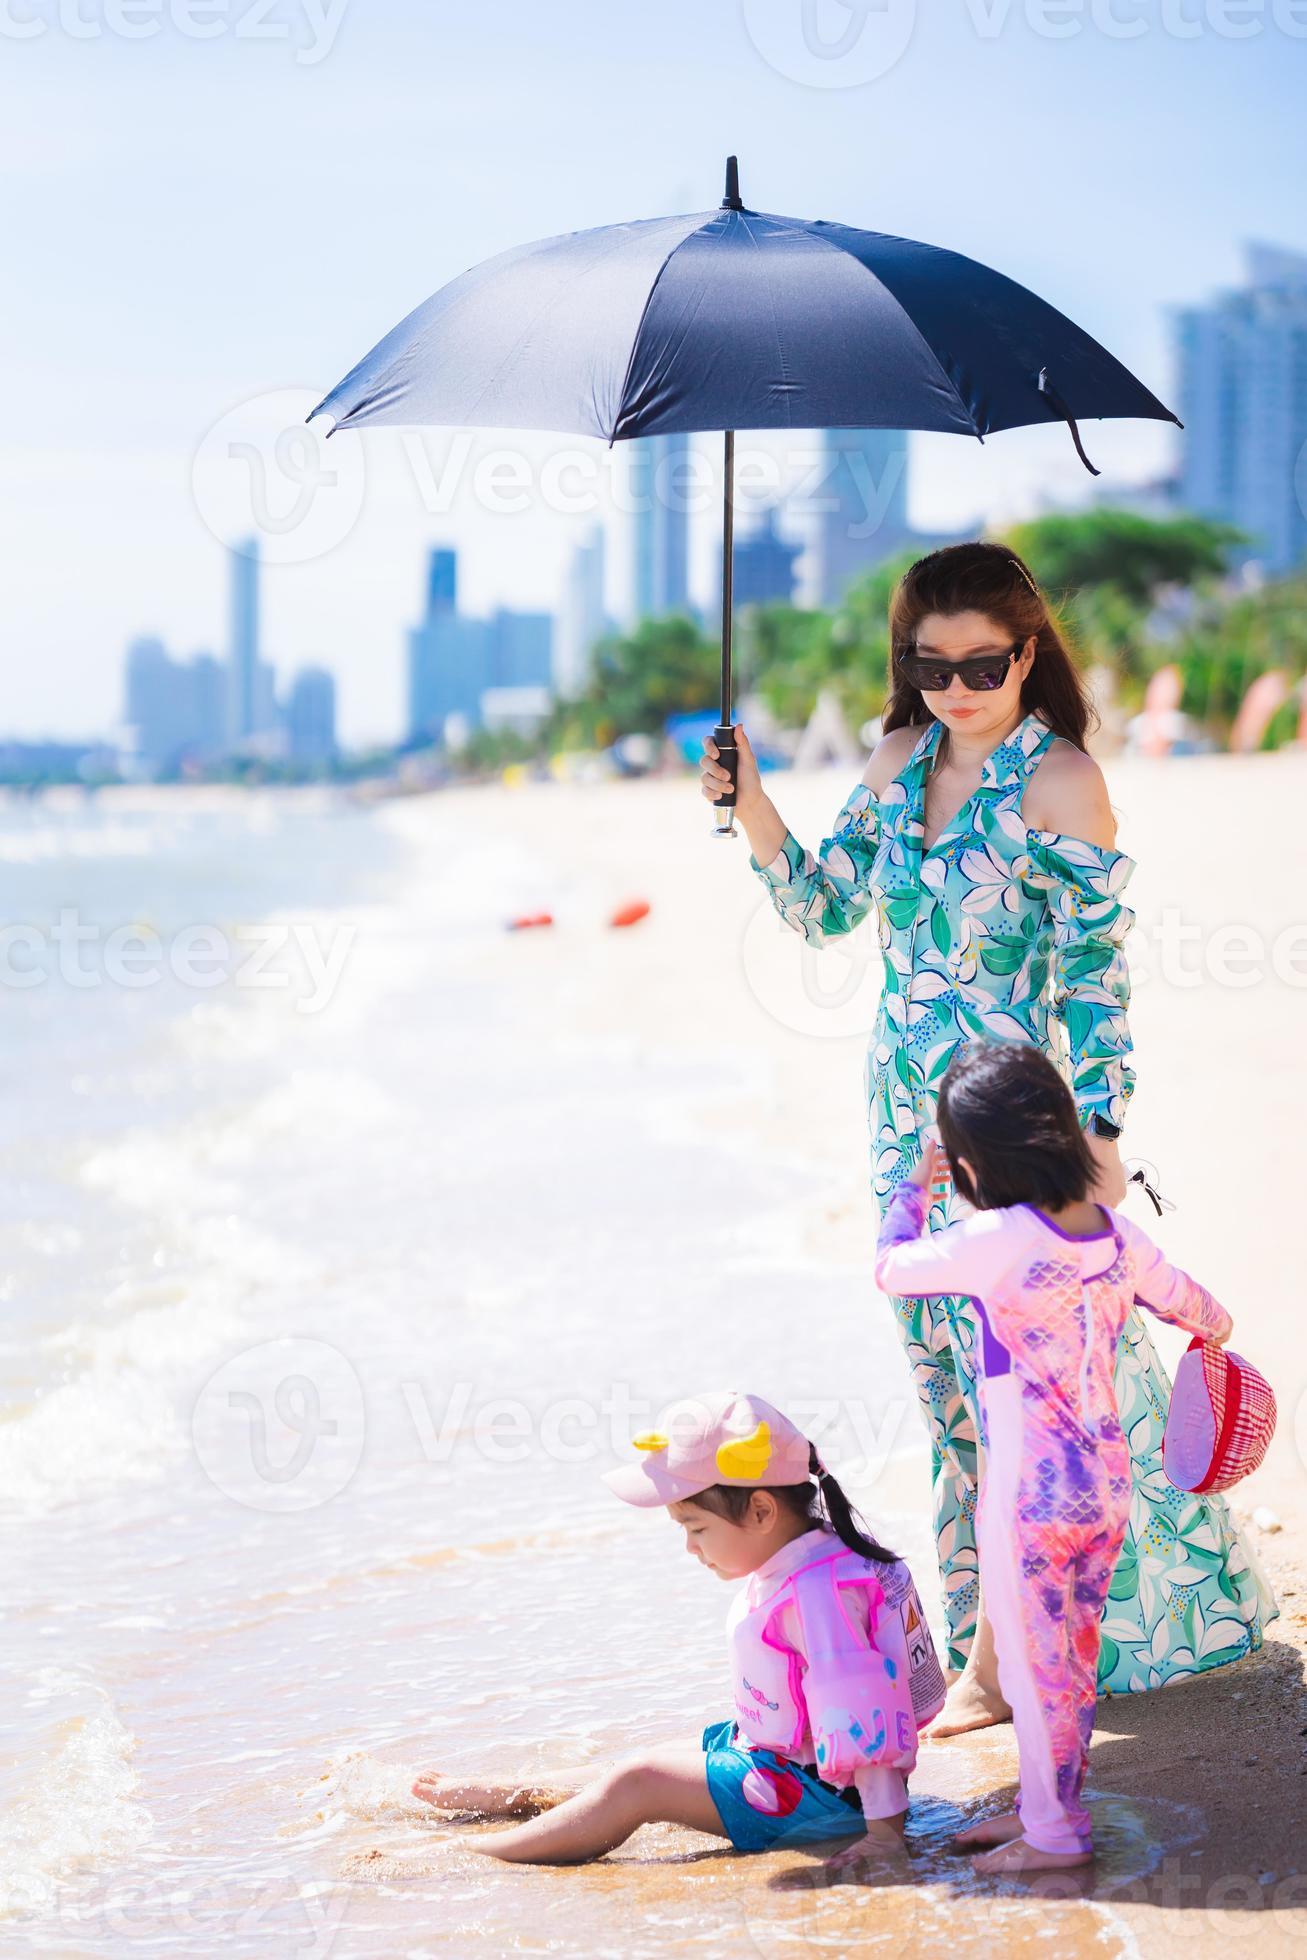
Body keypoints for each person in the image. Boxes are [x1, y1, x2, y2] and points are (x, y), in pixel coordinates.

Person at [701, 541, 1273, 1730]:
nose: (956, 685)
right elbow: (818, 909)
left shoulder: (1056, 778)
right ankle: (998, 1639)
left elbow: (1094, 976)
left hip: (1011, 1119)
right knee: (945, 1391)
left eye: (982, 662)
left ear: (1026, 653)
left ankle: (997, 1670)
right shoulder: (898, 757)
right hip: (898, 1110)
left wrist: (1099, 1128)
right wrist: (748, 797)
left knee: (1033, 1389)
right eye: (929, 662)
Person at [874, 1040, 1236, 1872]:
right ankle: (1043, 1808)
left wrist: (914, 1186)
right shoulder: (1115, 1235)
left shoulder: (994, 1237)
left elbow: (891, 1270)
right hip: (1105, 1482)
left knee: (1040, 1672)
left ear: (974, 1160)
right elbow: (1205, 1314)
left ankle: (1054, 1834)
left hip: (1030, 1492)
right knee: (1067, 1659)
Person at [411, 1391, 945, 1864]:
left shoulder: (819, 1595)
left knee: (640, 1781)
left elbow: (863, 1716)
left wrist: (883, 1836)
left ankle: (474, 1854)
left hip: (822, 1801)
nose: (690, 1547)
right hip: (804, 1773)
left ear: (761, 1510)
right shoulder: (813, 1559)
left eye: (695, 1527)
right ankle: (517, 1796)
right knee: (657, 1761)